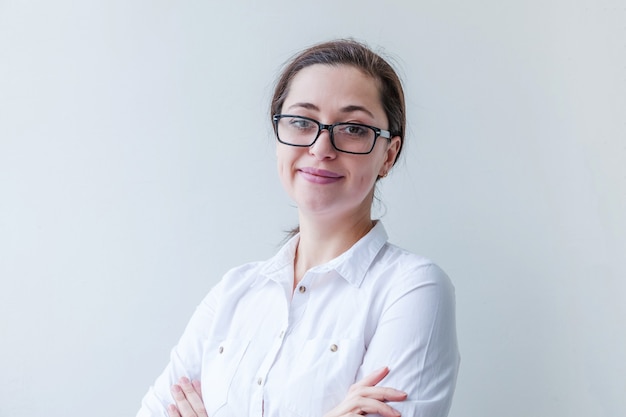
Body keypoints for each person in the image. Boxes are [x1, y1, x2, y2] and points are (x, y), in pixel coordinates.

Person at [137, 39, 459, 417]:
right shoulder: (232, 294)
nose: (322, 146)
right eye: (302, 122)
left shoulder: (413, 289)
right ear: (279, 139)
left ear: (388, 155)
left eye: (353, 128)